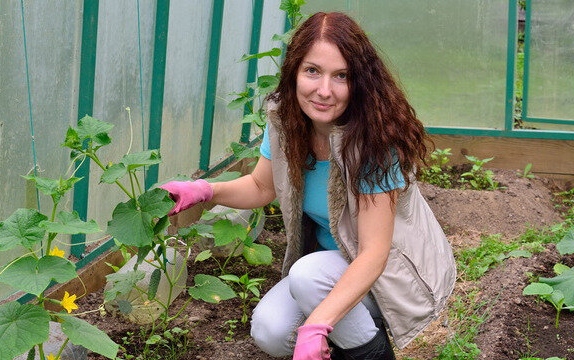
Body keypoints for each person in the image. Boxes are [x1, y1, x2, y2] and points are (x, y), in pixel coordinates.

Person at [160, 12, 456, 360]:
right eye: (312, 71)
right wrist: (206, 191)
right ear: (294, 72)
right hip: (326, 271)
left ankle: (372, 353)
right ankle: (335, 341)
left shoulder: (374, 141)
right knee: (271, 329)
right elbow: (261, 186)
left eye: (341, 76)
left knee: (307, 275)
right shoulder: (287, 123)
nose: (324, 91)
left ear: (359, 82)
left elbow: (374, 253)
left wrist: (318, 324)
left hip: (391, 273)